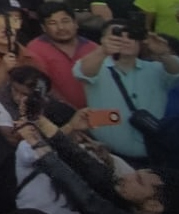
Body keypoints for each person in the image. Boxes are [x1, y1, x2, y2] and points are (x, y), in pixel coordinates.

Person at [16, 115, 178, 214]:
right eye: (135, 174)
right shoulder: (131, 200)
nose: (128, 177)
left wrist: (39, 147)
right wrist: (44, 124)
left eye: (139, 181)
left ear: (154, 206)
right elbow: (92, 169)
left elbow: (89, 202)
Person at [72, 22, 179, 162]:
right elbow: (82, 72)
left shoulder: (156, 68)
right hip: (111, 156)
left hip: (157, 152)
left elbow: (175, 71)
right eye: (117, 35)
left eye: (131, 35)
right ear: (103, 40)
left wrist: (164, 54)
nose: (125, 40)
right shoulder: (97, 67)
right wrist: (103, 51)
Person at [24, 0, 97, 109]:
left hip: (96, 112)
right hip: (56, 114)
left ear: (75, 23)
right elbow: (42, 86)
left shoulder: (93, 48)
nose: (61, 27)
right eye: (52, 23)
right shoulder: (35, 48)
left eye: (65, 21)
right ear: (43, 28)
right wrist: (68, 111)